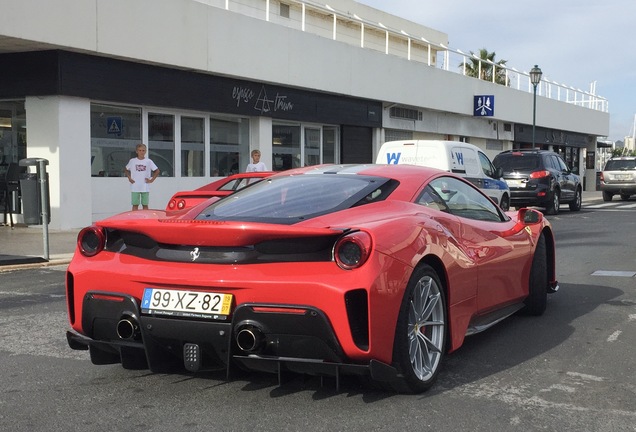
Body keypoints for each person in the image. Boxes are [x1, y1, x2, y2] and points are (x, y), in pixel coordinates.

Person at [124, 143, 159, 211]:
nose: (141, 152)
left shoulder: (148, 161)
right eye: (140, 150)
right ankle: (134, 218)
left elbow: (157, 171)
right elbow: (126, 169)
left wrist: (151, 180)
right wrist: (129, 178)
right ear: (136, 151)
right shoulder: (132, 161)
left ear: (145, 151)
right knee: (135, 204)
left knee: (145, 204)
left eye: (143, 150)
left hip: (145, 187)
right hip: (135, 186)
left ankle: (145, 219)